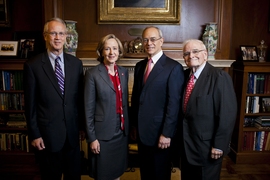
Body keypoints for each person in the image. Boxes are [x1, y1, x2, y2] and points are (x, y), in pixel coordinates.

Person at [23, 17, 84, 180]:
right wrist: (34, 134)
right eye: (53, 33)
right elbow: (30, 105)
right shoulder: (33, 66)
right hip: (47, 137)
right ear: (45, 36)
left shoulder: (76, 64)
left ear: (66, 37)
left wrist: (82, 128)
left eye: (61, 33)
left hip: (72, 136)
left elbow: (79, 100)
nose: (57, 37)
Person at [130, 26, 184, 180]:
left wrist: (167, 133)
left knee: (160, 174)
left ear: (161, 41)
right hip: (142, 132)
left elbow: (173, 105)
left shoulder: (173, 68)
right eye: (145, 40)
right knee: (146, 173)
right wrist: (134, 125)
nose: (149, 43)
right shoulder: (140, 66)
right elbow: (136, 99)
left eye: (153, 39)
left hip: (161, 134)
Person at [180, 39, 237, 180]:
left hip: (208, 148)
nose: (191, 56)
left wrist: (219, 145)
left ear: (205, 54)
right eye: (186, 53)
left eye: (195, 52)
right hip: (187, 146)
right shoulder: (183, 76)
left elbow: (227, 115)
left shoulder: (220, 77)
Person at [84, 34, 129, 180]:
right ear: (101, 51)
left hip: (120, 132)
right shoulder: (92, 74)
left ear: (119, 51)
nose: (111, 52)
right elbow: (88, 109)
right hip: (102, 134)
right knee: (102, 174)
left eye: (115, 48)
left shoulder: (123, 72)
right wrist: (92, 138)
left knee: (117, 173)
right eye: (107, 48)